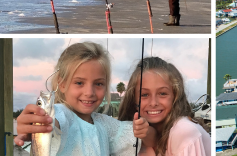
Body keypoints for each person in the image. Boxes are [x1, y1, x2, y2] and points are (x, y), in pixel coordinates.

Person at [14, 42, 155, 155]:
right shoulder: (61, 113)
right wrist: (37, 125)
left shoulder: (106, 124)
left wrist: (144, 130)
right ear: (62, 85)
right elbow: (54, 123)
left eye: (98, 83)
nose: (89, 92)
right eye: (79, 83)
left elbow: (145, 137)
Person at [117, 57, 211, 156]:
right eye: (144, 95)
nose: (153, 103)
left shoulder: (183, 131)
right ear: (133, 100)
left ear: (175, 96)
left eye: (162, 93)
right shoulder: (138, 136)